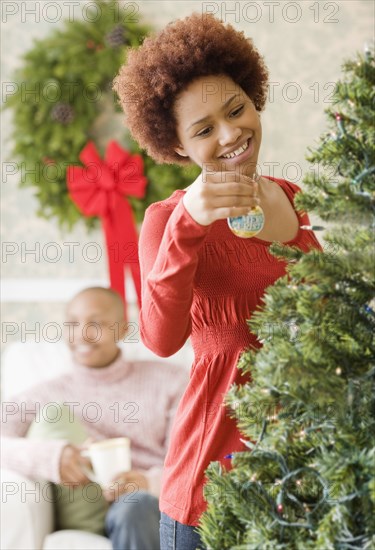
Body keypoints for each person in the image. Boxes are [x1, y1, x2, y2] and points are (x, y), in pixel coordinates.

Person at [113, 12, 323, 550]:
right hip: (213, 488)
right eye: (204, 130)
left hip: (304, 477)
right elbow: (161, 340)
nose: (231, 134)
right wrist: (191, 224)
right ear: (178, 145)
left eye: (237, 110)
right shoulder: (168, 217)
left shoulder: (292, 198)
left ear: (255, 98)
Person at [1, 286, 189, 550]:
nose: (82, 334)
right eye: (72, 323)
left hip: (152, 504)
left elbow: (189, 459)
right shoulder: (47, 393)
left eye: (96, 323)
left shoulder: (171, 381)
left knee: (135, 505)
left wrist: (148, 482)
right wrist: (52, 457)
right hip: (89, 508)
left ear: (122, 329)